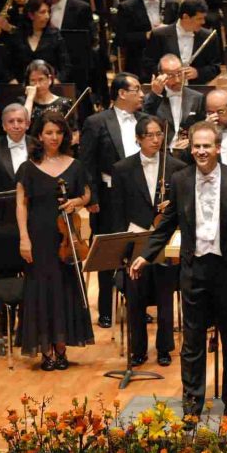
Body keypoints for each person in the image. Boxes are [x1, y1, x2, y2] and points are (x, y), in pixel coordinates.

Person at [129, 121, 227, 419]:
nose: (200, 151)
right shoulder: (180, 179)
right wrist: (146, 255)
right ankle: (192, 401)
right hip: (194, 269)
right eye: (196, 146)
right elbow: (167, 223)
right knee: (192, 339)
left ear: (218, 148)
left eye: (206, 146)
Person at [15, 111, 93, 370]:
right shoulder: (27, 168)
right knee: (42, 289)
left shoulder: (75, 165)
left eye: (59, 132)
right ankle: (45, 349)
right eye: (49, 132)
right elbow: (21, 205)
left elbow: (87, 194)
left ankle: (61, 347)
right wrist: (24, 238)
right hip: (38, 237)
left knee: (65, 288)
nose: (54, 137)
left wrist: (76, 202)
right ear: (39, 135)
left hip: (66, 237)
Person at [111, 115, 186, 367]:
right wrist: (122, 246)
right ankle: (138, 349)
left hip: (164, 239)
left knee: (165, 296)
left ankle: (165, 348)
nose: (156, 140)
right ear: (138, 139)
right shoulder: (122, 168)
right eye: (150, 135)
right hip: (136, 238)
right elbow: (117, 210)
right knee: (136, 298)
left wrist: (172, 205)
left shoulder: (175, 167)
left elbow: (184, 206)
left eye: (159, 134)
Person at [79, 72, 145, 328]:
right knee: (108, 252)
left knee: (138, 250)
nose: (142, 94)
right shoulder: (96, 122)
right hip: (107, 198)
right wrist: (91, 197)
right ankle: (105, 309)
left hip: (138, 195)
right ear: (122, 93)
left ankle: (137, 304)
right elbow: (87, 163)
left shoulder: (144, 120)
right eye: (137, 89)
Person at [142, 0, 222, 85]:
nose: (203, 22)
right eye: (199, 18)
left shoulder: (208, 36)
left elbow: (216, 67)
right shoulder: (159, 35)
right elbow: (148, 64)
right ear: (185, 17)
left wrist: (198, 72)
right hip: (167, 87)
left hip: (197, 89)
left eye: (204, 18)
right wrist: (168, 74)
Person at [142, 54, 206, 150]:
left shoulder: (197, 98)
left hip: (188, 152)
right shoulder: (151, 99)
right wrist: (155, 95)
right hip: (161, 152)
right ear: (160, 76)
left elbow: (202, 128)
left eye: (180, 73)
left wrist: (191, 140)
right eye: (171, 75)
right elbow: (144, 124)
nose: (177, 80)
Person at [4, 0, 72, 84]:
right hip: (21, 86)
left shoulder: (55, 35)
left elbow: (66, 66)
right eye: (42, 12)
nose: (47, 16)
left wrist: (57, 80)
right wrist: (11, 80)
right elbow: (6, 65)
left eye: (48, 12)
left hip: (49, 87)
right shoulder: (17, 36)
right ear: (31, 15)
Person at [116, 0, 179, 78]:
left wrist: (167, 29)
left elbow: (179, 30)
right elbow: (121, 38)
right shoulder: (126, 7)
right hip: (139, 64)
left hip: (167, 62)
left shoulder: (172, 4)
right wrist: (148, 35)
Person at [22, 60, 77, 142]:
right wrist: (30, 98)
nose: (37, 85)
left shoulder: (64, 103)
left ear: (50, 79)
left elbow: (74, 134)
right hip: (31, 147)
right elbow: (23, 126)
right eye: (33, 81)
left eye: (41, 79)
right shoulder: (24, 103)